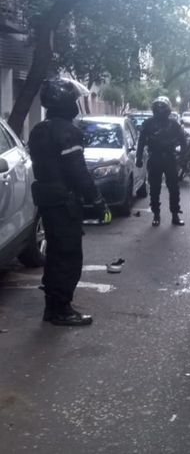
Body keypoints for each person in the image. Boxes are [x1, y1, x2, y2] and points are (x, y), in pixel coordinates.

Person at [28, 78, 111, 326]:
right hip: (64, 202)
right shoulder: (67, 131)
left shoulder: (39, 129)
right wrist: (97, 200)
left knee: (54, 253)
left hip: (47, 200)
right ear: (65, 102)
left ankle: (53, 305)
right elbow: (77, 171)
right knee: (68, 256)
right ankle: (60, 309)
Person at [136, 97, 186, 226]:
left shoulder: (174, 124)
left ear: (168, 110)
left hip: (170, 158)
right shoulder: (148, 124)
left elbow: (183, 141)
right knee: (154, 189)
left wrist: (183, 159)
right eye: (157, 108)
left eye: (162, 108)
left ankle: (175, 214)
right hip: (155, 158)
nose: (160, 111)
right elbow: (141, 141)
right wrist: (138, 158)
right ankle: (156, 214)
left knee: (174, 188)